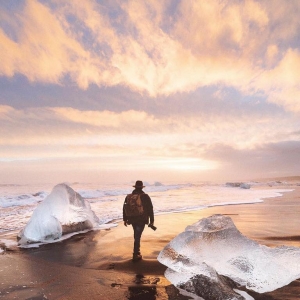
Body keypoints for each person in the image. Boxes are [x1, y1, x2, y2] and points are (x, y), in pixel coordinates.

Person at [123, 180, 154, 261]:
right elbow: (150, 209)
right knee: (137, 236)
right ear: (142, 187)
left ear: (135, 187)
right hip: (141, 218)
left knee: (136, 234)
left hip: (132, 218)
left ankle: (137, 252)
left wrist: (125, 219)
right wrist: (152, 220)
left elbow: (125, 208)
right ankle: (135, 253)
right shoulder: (145, 196)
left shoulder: (129, 196)